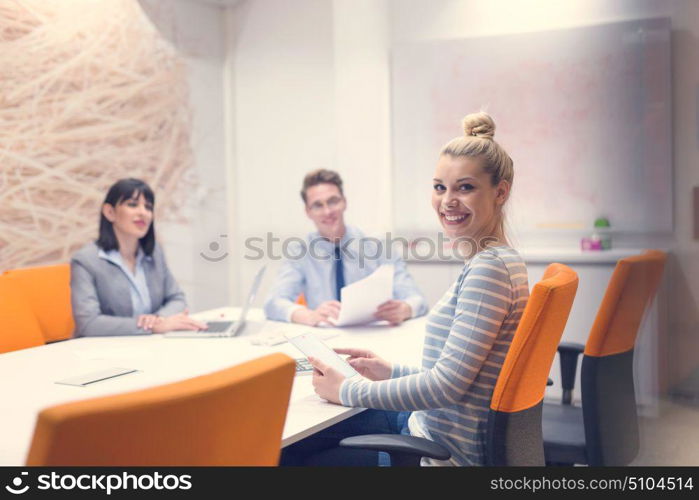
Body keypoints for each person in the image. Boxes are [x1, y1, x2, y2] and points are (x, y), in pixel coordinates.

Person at [282, 112, 529, 466]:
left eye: (465, 187)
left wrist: (346, 389)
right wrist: (389, 371)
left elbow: (447, 386)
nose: (447, 201)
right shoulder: (495, 261)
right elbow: (459, 378)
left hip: (440, 451)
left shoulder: (489, 269)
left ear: (500, 192)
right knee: (301, 440)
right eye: (440, 187)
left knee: (287, 456)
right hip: (429, 424)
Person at [263, 169, 428, 326]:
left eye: (333, 201)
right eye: (318, 205)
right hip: (327, 337)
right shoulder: (300, 252)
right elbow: (273, 303)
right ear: (308, 211)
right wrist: (308, 315)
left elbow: (416, 299)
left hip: (375, 334)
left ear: (344, 202)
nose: (327, 211)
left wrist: (405, 309)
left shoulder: (378, 245)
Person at [71, 178, 207, 337]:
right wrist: (148, 327)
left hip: (148, 347)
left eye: (148, 207)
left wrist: (158, 319)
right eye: (133, 204)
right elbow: (89, 324)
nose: (143, 212)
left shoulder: (154, 252)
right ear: (110, 212)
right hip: (103, 352)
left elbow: (177, 298)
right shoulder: (86, 260)